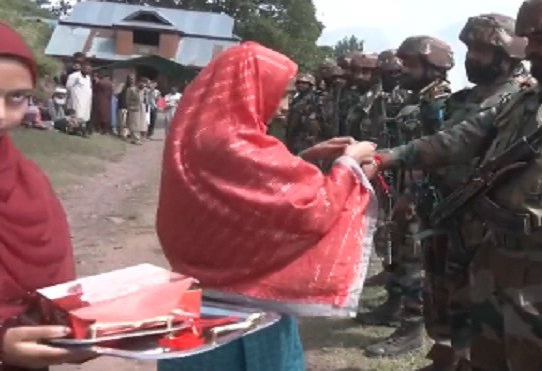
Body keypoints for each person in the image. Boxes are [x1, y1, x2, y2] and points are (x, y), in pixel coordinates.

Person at [374, 0, 542, 370]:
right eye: (528, 38)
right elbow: (462, 138)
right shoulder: (525, 98)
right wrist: (388, 157)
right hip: (493, 271)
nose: (529, 49)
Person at [156, 42, 377, 371]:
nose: (286, 106)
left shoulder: (197, 135)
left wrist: (302, 158)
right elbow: (311, 210)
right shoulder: (241, 145)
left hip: (192, 306)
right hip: (247, 312)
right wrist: (348, 165)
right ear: (250, 88)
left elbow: (247, 197)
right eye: (282, 93)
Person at [423, 13, 532, 370]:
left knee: (480, 304)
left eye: (482, 50)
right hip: (450, 210)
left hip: (487, 221)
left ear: (509, 55)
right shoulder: (462, 100)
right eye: (470, 48)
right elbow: (439, 149)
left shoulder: (523, 98)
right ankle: (450, 357)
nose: (472, 57)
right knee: (446, 291)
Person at [0, 23, 95, 369]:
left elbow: (55, 287)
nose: (2, 115)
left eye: (16, 98)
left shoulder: (30, 182)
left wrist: (73, 330)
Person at [361, 35, 454, 358]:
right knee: (401, 251)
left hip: (424, 194)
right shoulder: (419, 99)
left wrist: (412, 195)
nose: (402, 69)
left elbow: (436, 154)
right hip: (405, 186)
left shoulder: (440, 102)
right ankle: (394, 305)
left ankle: (412, 328)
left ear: (434, 66)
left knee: (415, 258)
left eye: (411, 64)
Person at [286, 73, 336, 155]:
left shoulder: (315, 99)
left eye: (304, 83)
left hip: (306, 136)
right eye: (299, 83)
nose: (300, 85)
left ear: (310, 85)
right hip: (295, 134)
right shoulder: (296, 98)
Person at [65, 61, 93, 135]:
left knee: (84, 116)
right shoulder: (74, 76)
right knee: (76, 115)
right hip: (76, 99)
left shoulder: (88, 78)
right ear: (82, 67)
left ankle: (81, 130)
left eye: (89, 69)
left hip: (86, 100)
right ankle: (72, 129)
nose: (88, 70)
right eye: (86, 68)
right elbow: (68, 87)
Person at [125, 75, 144, 145]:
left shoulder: (141, 91)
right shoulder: (131, 90)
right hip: (133, 108)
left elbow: (141, 99)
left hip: (139, 109)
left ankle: (134, 138)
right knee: (135, 124)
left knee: (136, 124)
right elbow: (127, 100)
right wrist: (130, 106)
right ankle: (136, 139)